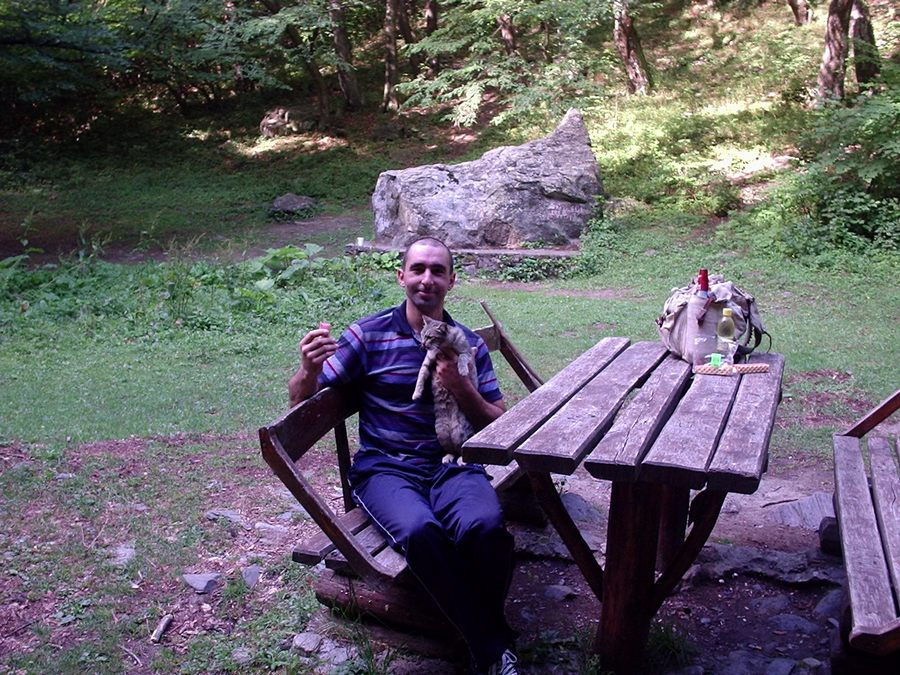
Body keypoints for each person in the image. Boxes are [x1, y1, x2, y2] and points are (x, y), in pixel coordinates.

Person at [289, 237, 519, 675]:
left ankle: (480, 639)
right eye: (418, 269)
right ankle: (493, 645)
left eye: (437, 270)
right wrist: (308, 369)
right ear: (401, 277)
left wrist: (461, 387)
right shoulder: (368, 335)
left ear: (452, 280)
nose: (427, 279)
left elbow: (498, 422)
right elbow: (302, 402)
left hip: (452, 465)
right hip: (386, 469)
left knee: (487, 529)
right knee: (420, 530)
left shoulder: (468, 344)